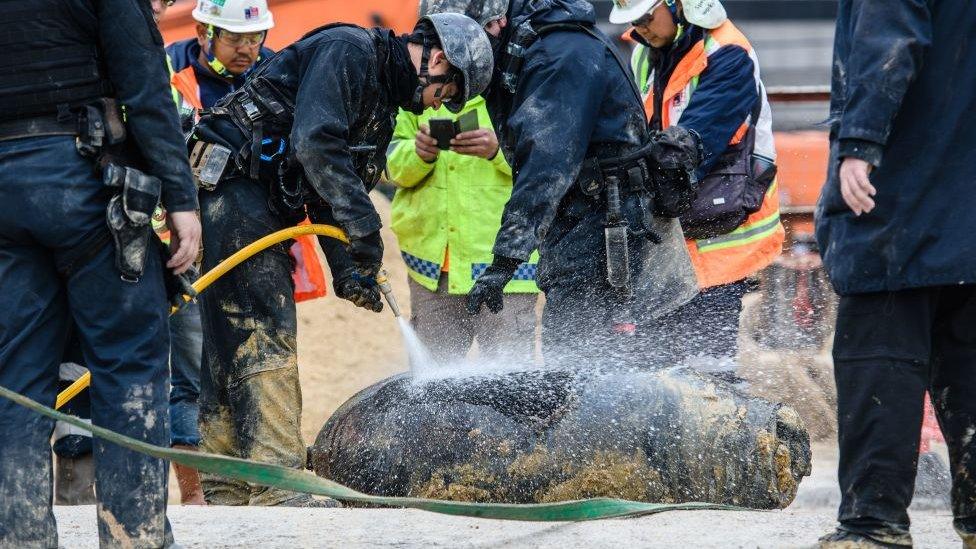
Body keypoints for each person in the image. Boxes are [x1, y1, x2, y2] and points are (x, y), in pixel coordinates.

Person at [189, 13, 494, 506]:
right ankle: (278, 484)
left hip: (254, 194)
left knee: (234, 332)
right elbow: (315, 143)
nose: (441, 105)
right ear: (438, 60)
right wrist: (366, 226)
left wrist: (348, 266)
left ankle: (228, 484)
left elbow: (327, 185)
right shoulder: (350, 51)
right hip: (230, 184)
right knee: (262, 323)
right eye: (448, 93)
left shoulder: (381, 100)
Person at [0, 0, 201, 547]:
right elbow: (145, 90)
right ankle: (133, 537)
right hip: (81, 187)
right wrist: (181, 200)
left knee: (13, 382)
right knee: (128, 367)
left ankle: (19, 538)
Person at [428, 0, 700, 367]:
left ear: (496, 24)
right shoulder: (528, 50)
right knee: (586, 360)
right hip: (590, 216)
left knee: (579, 363)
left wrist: (505, 262)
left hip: (611, 225)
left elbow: (545, 167)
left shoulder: (559, 57)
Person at [814, 0, 976, 547]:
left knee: (878, 358)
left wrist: (860, 143)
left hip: (899, 206)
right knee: (971, 370)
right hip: (965, 209)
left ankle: (873, 523)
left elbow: (889, 43)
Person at [612, 0, 783, 380]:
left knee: (709, 374)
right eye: (633, 21)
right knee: (656, 374)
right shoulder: (645, 54)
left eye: (644, 17)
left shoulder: (727, 54)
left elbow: (692, 145)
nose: (639, 27)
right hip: (674, 237)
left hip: (720, 234)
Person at [388, 6, 540, 366]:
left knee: (508, 391)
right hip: (433, 271)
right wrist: (418, 154)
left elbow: (546, 166)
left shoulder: (517, 82)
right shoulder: (413, 87)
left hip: (505, 268)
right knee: (430, 397)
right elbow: (391, 162)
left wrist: (497, 151)